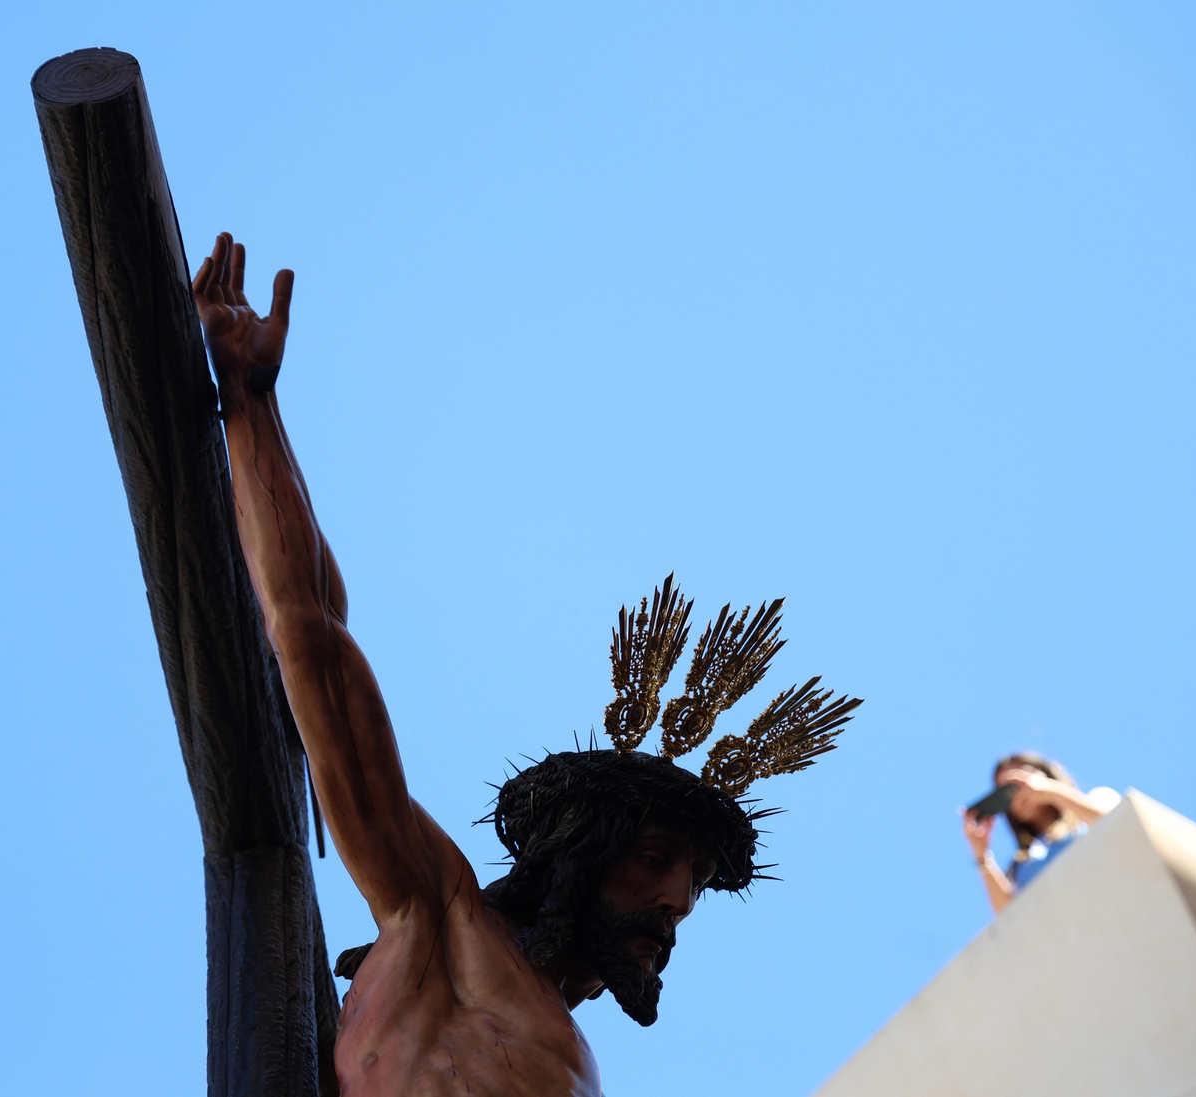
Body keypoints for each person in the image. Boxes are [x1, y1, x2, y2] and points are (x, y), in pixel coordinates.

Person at [192, 232, 862, 1097]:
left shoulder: (569, 1049)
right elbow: (312, 634)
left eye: (692, 880)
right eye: (658, 856)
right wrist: (250, 402)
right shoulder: (438, 918)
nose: (678, 901)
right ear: (577, 854)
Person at [960, 751, 1121, 915]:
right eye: (1006, 790)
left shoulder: (1096, 801)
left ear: (1046, 773)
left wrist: (1052, 792)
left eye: (1023, 775)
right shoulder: (1020, 868)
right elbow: (1010, 917)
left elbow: (1120, 824)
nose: (1018, 790)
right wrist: (982, 855)